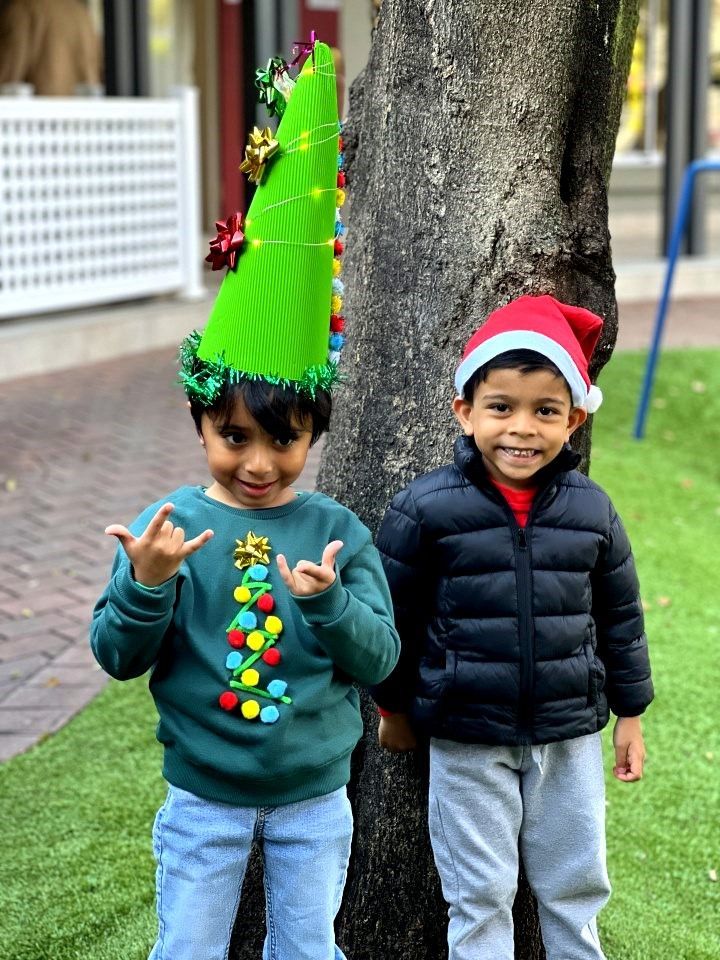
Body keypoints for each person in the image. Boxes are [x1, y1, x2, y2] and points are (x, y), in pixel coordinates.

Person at [91, 39, 399, 960]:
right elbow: (116, 655)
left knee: (306, 949)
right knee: (186, 947)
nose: (258, 462)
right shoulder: (170, 531)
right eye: (234, 436)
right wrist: (145, 585)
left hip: (316, 797)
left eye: (283, 438)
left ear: (314, 432)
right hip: (202, 796)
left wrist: (329, 603)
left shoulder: (336, 531)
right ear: (201, 424)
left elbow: (381, 656)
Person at [371, 294, 653, 960]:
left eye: (545, 410)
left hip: (570, 737)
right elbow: (394, 618)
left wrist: (631, 713)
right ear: (465, 413)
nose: (521, 428)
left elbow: (620, 614)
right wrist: (391, 705)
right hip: (467, 736)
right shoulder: (425, 509)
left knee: (574, 883)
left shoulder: (590, 510)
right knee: (480, 892)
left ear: (574, 419)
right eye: (501, 407)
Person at [0, 0, 101, 96]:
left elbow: (7, 77)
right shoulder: (81, 12)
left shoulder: (22, 9)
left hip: (39, 110)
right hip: (82, 110)